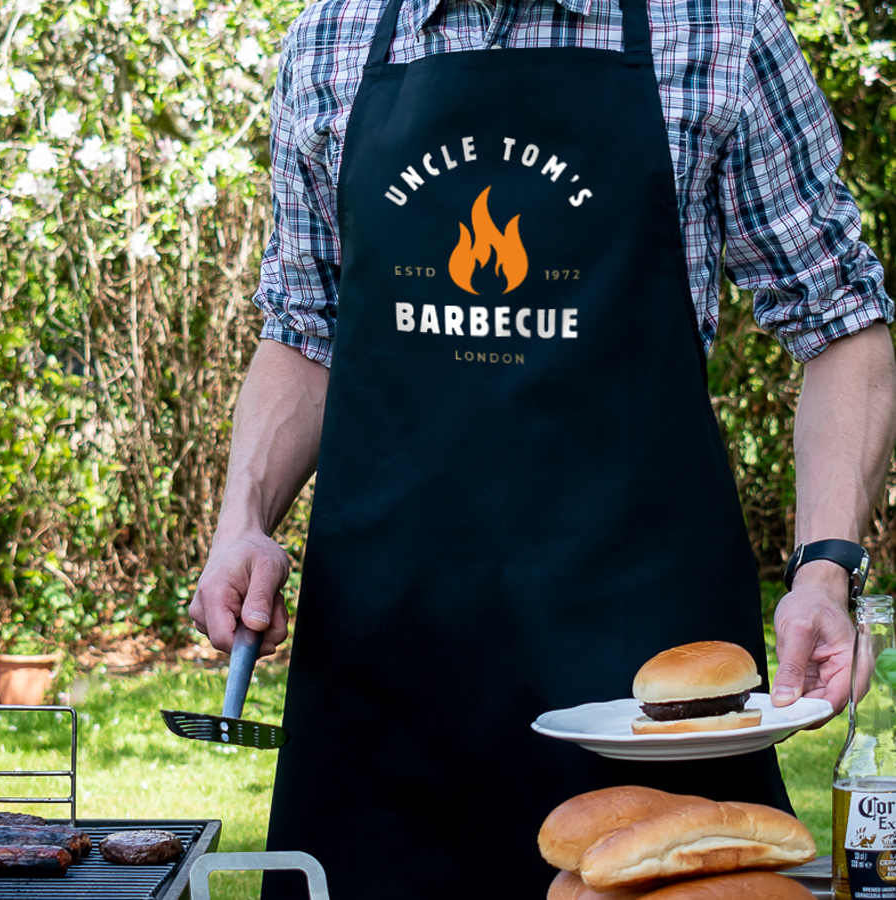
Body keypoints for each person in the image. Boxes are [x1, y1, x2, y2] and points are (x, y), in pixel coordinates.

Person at [188, 0, 896, 894]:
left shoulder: (719, 29)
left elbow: (842, 324)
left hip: (643, 682)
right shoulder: (332, 38)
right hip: (385, 672)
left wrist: (824, 569)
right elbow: (304, 330)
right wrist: (242, 518)